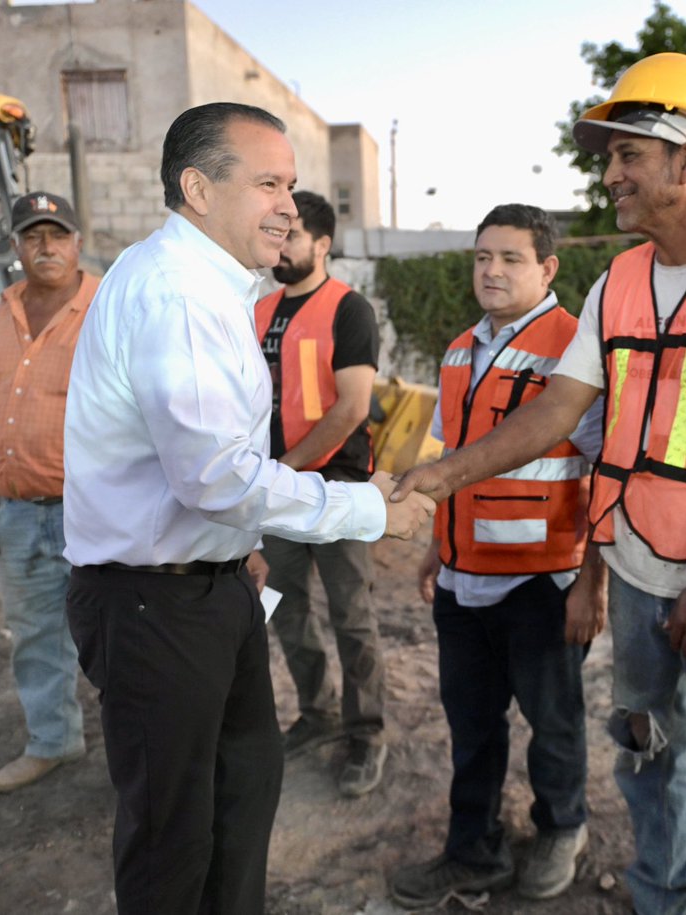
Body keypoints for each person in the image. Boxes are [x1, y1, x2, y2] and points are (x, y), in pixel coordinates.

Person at [393, 54, 686, 915]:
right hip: (638, 572)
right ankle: (665, 899)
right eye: (611, 158)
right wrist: (436, 477)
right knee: (644, 754)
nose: (610, 175)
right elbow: (558, 410)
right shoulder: (618, 280)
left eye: (629, 155)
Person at [62, 102, 434, 915]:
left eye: (291, 186)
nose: (289, 208)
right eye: (268, 184)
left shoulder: (214, 287)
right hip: (156, 604)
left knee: (241, 796)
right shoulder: (177, 294)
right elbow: (215, 477)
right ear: (198, 188)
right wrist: (367, 508)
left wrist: (242, 545)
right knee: (174, 840)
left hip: (205, 588)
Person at [389, 203, 605, 908]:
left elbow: (608, 469)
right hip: (462, 578)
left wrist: (592, 584)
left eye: (511, 258)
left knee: (554, 722)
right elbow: (454, 458)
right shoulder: (459, 350)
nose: (492, 270)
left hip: (543, 579)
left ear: (547, 268)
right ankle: (472, 850)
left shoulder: (575, 347)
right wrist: (437, 547)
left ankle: (561, 828)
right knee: (472, 726)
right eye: (483, 257)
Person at [254, 190, 388, 797]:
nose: (280, 247)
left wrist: (282, 469)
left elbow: (352, 407)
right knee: (284, 608)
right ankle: (318, 711)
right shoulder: (258, 312)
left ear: (324, 244)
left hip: (336, 484)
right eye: (275, 234)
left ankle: (367, 732)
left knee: (351, 615)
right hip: (275, 488)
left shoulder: (349, 309)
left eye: (292, 235)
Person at [0, 191, 98, 793]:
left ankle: (143, 752)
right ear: (16, 247)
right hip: (16, 515)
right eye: (33, 235)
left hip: (95, 512)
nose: (46, 245)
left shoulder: (108, 311)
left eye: (58, 233)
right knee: (35, 636)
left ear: (78, 242)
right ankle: (53, 741)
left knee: (120, 634)